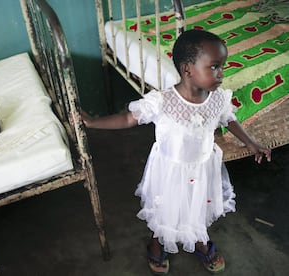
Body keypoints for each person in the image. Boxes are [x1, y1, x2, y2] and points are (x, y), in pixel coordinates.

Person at [82, 29, 272, 274]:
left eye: (222, 66)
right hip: (170, 170)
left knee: (199, 205)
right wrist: (93, 123)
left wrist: (250, 141)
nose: (222, 74)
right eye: (214, 67)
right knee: (166, 208)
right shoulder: (163, 102)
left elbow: (228, 119)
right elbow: (129, 119)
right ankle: (158, 240)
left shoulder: (217, 99)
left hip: (203, 168)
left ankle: (199, 239)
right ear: (187, 69)